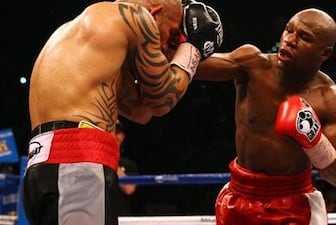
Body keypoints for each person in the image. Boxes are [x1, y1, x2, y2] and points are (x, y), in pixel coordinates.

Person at [22, 0, 223, 224]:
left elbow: (142, 112)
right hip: (77, 168)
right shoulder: (137, 16)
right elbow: (162, 99)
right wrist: (191, 49)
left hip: (43, 169)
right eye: (174, 36)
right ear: (155, 12)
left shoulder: (89, 37)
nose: (167, 48)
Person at [195, 8, 336, 225]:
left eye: (304, 37)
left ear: (324, 53)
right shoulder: (252, 66)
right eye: (288, 31)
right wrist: (167, 44)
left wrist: (314, 140)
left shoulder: (331, 99)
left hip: (294, 204)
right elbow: (191, 68)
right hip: (238, 196)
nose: (290, 40)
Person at [114, 119, 140, 216]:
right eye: (112, 131)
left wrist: (109, 160)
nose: (115, 135)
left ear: (122, 136)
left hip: (122, 217)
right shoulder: (95, 164)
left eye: (118, 132)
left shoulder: (129, 164)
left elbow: (129, 189)